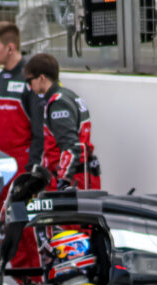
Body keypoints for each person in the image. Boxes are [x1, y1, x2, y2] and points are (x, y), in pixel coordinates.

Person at [0, 21, 44, 206]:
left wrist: (32, 169)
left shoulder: (30, 79)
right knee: (5, 221)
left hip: (23, 163)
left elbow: (39, 131)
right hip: (1, 163)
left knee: (24, 223)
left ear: (10, 48)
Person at [23, 53, 101, 190]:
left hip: (73, 179)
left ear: (41, 78)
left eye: (29, 81)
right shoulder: (69, 95)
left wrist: (63, 181)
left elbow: (71, 146)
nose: (29, 86)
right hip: (81, 175)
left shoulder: (58, 103)